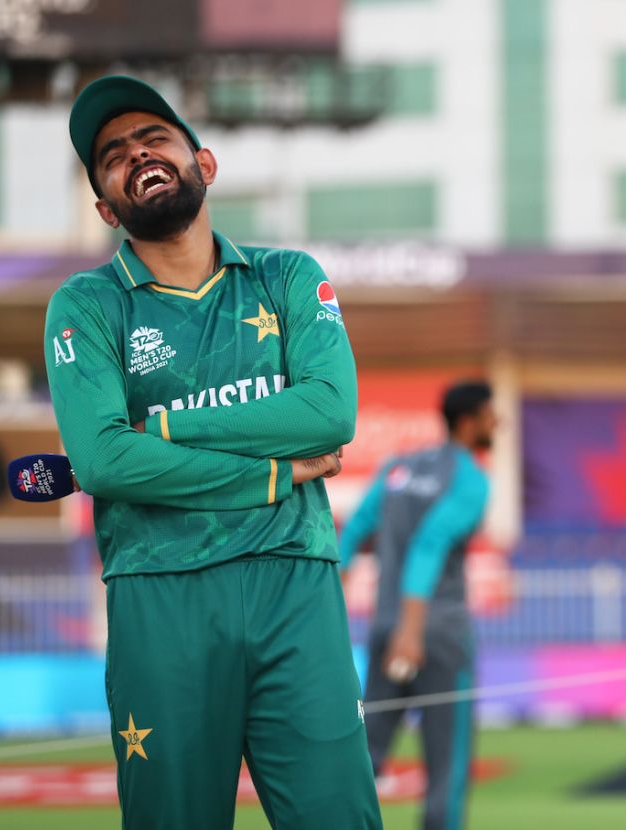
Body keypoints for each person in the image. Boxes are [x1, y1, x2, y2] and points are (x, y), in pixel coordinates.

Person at [44, 75, 382, 829]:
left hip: (293, 581)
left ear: (205, 163)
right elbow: (100, 465)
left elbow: (329, 412)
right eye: (113, 155)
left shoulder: (287, 277)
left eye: (153, 138)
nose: (136, 154)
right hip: (160, 592)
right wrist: (270, 471)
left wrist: (157, 433)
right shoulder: (87, 304)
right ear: (105, 206)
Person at [339, 379, 496, 830]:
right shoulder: (470, 479)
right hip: (438, 633)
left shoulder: (398, 468)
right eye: (490, 415)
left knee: (364, 759)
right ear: (469, 423)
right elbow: (430, 544)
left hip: (388, 627)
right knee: (447, 766)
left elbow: (352, 534)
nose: (497, 423)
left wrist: (332, 607)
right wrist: (414, 631)